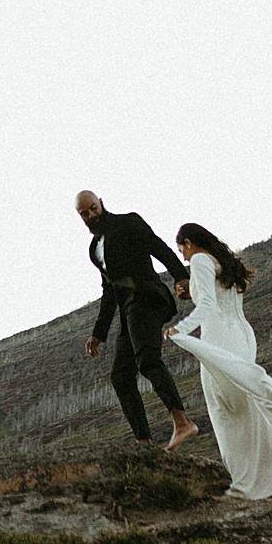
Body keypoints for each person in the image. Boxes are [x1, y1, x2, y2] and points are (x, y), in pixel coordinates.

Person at [163, 222, 272, 498]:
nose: (182, 256)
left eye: (181, 249)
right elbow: (215, 297)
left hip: (219, 335)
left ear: (188, 243)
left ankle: (246, 481)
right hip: (242, 335)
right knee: (247, 404)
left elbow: (207, 306)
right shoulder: (225, 262)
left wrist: (179, 329)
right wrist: (191, 293)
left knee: (224, 409)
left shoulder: (198, 260)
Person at [76, 191, 200, 451]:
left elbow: (159, 248)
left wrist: (181, 277)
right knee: (120, 376)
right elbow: (109, 291)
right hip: (128, 309)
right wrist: (99, 333)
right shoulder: (93, 250)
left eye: (93, 208)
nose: (91, 215)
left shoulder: (128, 223)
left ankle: (183, 422)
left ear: (101, 203)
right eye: (85, 214)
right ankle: (143, 443)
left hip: (147, 298)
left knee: (147, 360)